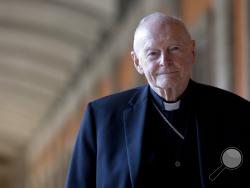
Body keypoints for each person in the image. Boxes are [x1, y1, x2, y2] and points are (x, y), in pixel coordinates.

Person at [65, 12, 250, 188]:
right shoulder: (101, 118)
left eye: (174, 48)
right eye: (152, 53)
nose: (165, 60)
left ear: (192, 52)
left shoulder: (237, 113)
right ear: (137, 62)